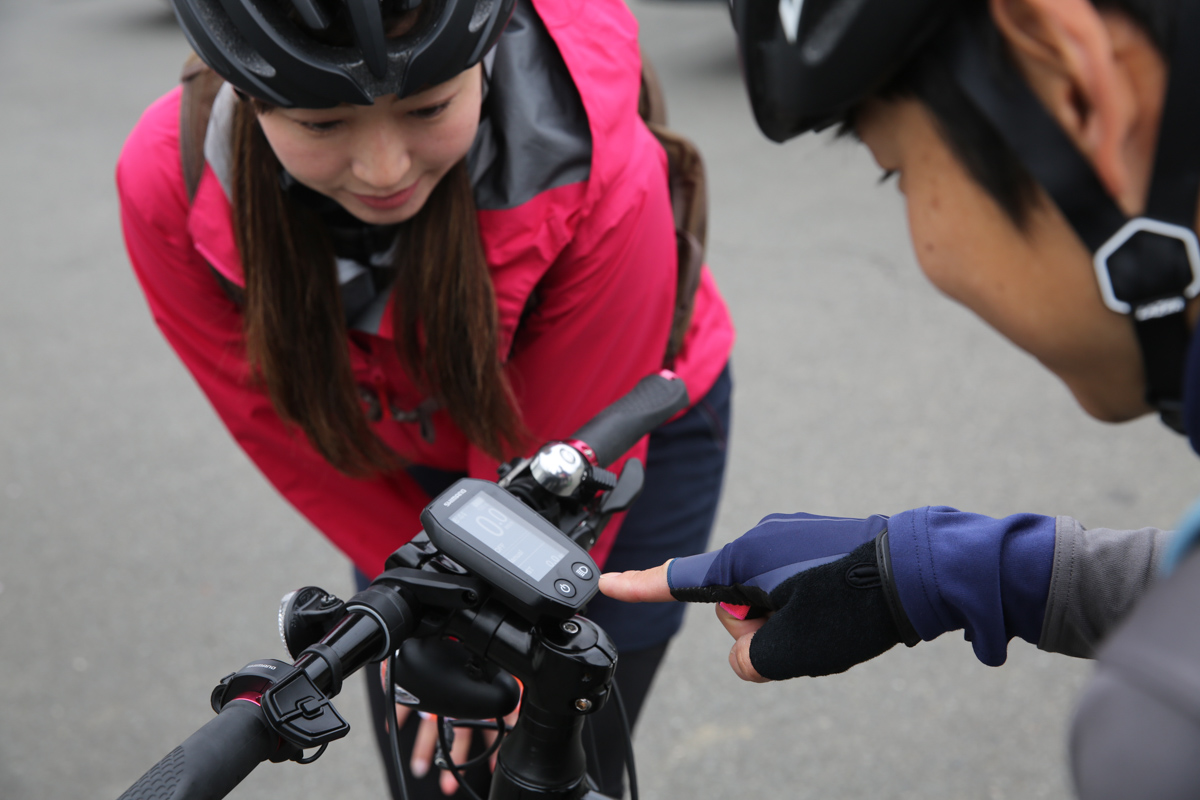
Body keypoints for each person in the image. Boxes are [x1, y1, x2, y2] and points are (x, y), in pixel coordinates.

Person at [115, 0, 735, 797]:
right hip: (395, 470)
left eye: (429, 108)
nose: (384, 169)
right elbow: (283, 430)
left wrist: (487, 649)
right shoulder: (170, 180)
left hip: (609, 444)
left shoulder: (595, 161)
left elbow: (548, 471)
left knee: (546, 758)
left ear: (483, 62)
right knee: (433, 775)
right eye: (323, 123)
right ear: (249, 97)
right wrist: (418, 612)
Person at [600, 0, 1200, 796]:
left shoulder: (1162, 735)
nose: (920, 244)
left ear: (1081, 92)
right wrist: (942, 568)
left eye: (899, 170)